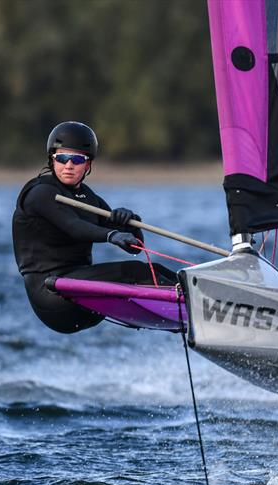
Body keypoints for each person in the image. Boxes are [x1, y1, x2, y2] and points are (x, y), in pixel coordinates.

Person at [12, 121, 176, 334]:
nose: (68, 165)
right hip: (52, 295)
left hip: (84, 292)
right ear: (52, 160)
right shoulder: (40, 194)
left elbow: (135, 248)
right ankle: (195, 304)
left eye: (77, 159)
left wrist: (129, 223)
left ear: (87, 165)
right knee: (134, 272)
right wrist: (112, 234)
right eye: (61, 158)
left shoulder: (89, 199)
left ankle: (199, 298)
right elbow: (73, 226)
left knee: (154, 270)